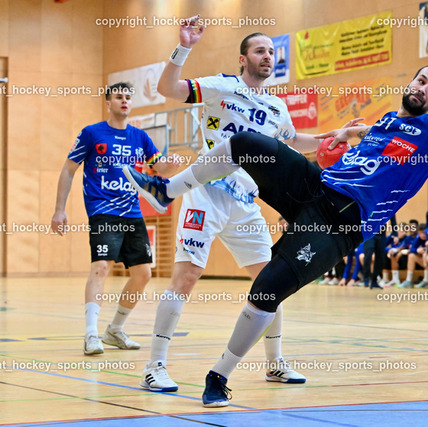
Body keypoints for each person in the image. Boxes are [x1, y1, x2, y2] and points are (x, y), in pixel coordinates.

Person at [124, 52, 428, 407]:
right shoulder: (386, 121)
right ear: (410, 83)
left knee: (266, 289)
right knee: (245, 143)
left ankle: (219, 376)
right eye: (421, 81)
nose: (423, 89)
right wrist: (347, 134)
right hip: (315, 187)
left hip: (341, 224)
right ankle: (167, 191)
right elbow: (371, 132)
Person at [125, 18, 329, 391]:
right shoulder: (222, 87)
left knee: (272, 283)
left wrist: (335, 136)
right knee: (186, 277)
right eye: (259, 50)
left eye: (271, 52)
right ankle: (154, 366)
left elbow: (293, 141)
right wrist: (184, 47)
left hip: (246, 203)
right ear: (242, 58)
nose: (267, 56)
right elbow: (167, 88)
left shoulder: (276, 106)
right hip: (206, 192)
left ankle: (275, 363)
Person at [51, 82, 180, 355]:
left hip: (132, 212)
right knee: (100, 267)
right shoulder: (92, 133)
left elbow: (160, 168)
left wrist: (173, 164)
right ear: (108, 103)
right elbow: (68, 169)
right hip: (103, 210)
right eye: (119, 96)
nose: (124, 100)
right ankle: (91, 334)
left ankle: (114, 329)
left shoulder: (140, 137)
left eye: (128, 97)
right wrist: (59, 210)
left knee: (143, 274)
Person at [400, 224, 428, 288]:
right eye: (420, 233)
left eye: (423, 233)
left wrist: (425, 251)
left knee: (425, 255)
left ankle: (426, 280)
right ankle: (408, 280)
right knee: (411, 256)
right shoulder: (418, 238)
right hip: (425, 263)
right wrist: (417, 250)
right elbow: (412, 249)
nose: (422, 235)